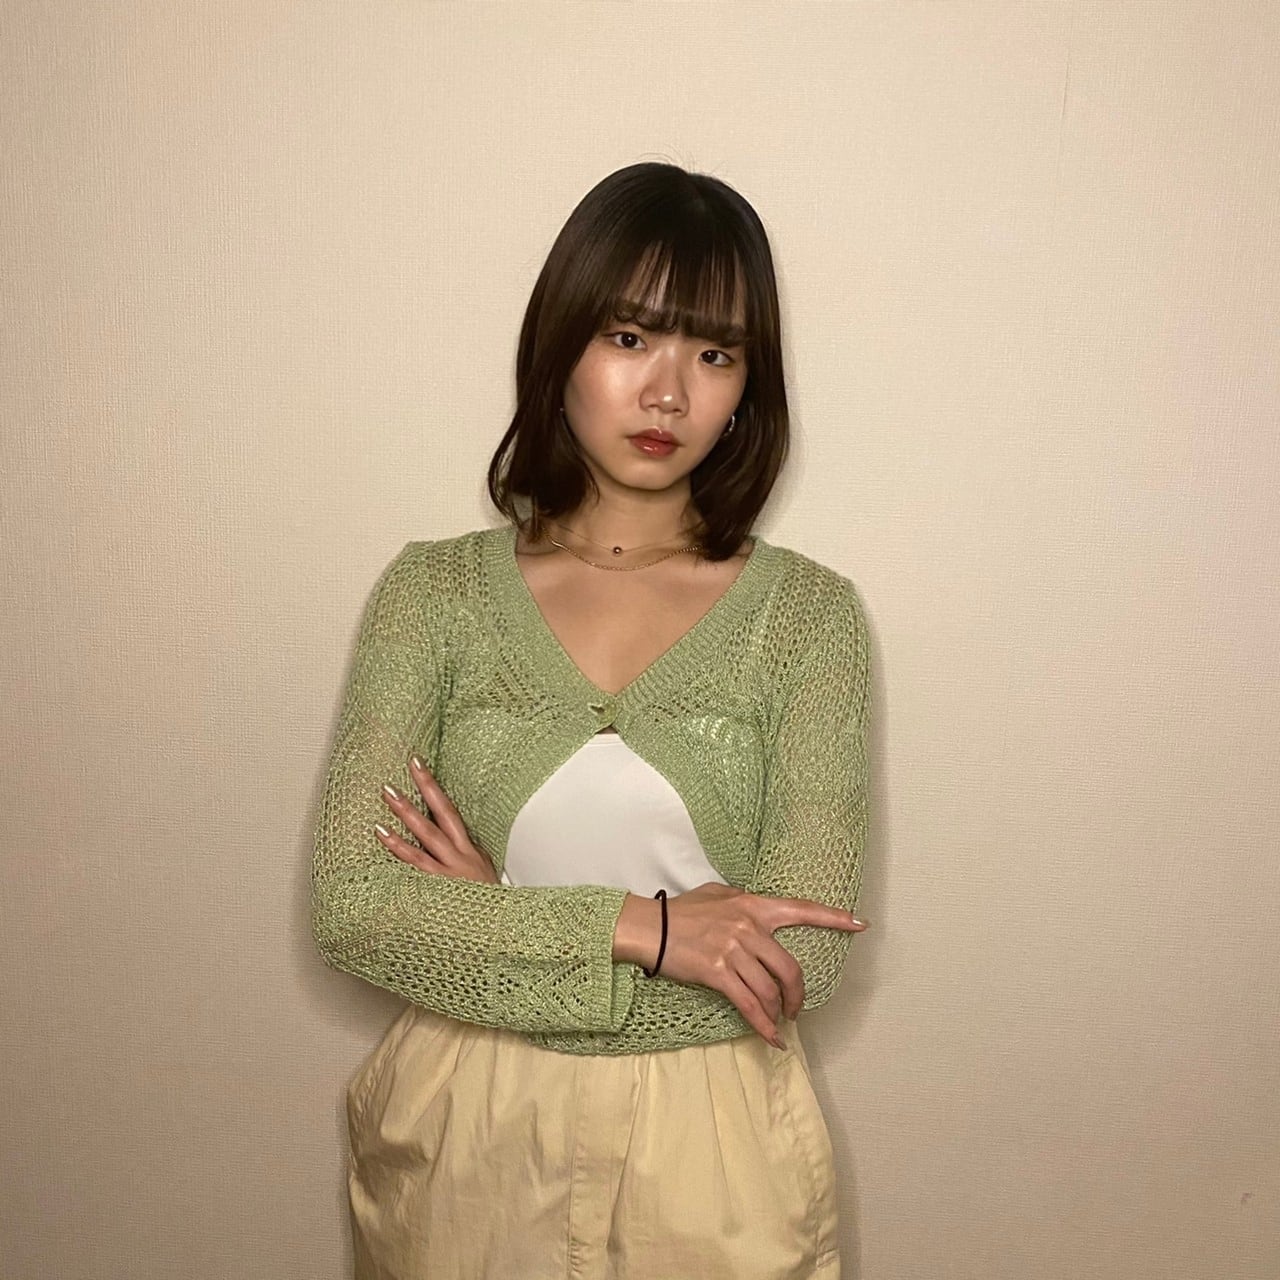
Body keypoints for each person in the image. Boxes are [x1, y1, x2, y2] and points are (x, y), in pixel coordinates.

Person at [311, 161, 872, 1280]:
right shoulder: (432, 596)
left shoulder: (809, 620)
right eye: (629, 337)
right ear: (560, 344)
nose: (668, 393)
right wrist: (654, 930)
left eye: (714, 355)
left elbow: (798, 960)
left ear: (747, 386)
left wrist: (495, 921)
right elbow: (353, 907)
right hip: (465, 1136)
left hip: (715, 1150)